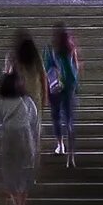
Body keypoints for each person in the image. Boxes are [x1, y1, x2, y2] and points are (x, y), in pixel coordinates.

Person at [0, 69, 41, 205]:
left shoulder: (2, 100)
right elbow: (35, 124)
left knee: (10, 175)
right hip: (26, 139)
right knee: (24, 175)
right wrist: (36, 144)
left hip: (9, 139)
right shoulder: (27, 101)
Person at [45, 24, 82, 163]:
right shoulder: (71, 49)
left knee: (56, 116)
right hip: (69, 87)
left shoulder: (51, 50)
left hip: (56, 87)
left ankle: (60, 145)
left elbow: (47, 68)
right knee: (69, 119)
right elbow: (76, 68)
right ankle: (70, 156)